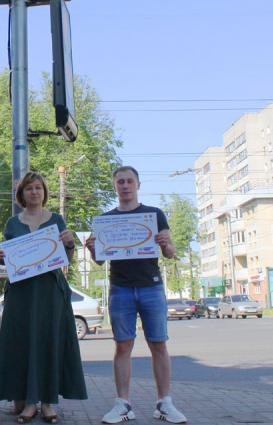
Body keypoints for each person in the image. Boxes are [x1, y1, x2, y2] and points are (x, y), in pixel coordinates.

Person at [85, 166, 187, 424]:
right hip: (120, 288)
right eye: (120, 182)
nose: (125, 186)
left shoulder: (154, 214)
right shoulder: (105, 219)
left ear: (138, 185)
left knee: (159, 345)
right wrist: (91, 249)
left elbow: (170, 253)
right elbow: (99, 261)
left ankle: (165, 403)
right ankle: (123, 404)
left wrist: (167, 243)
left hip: (152, 287)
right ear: (115, 186)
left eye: (130, 181)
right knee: (123, 346)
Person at [0, 172, 87, 424]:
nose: (34, 192)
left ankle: (47, 403)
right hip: (21, 293)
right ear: (21, 194)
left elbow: (66, 258)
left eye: (38, 188)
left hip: (50, 292)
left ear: (45, 192)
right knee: (24, 345)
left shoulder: (56, 219)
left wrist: (70, 244)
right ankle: (29, 403)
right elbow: (9, 260)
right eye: (29, 188)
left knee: (49, 343)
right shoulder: (13, 222)